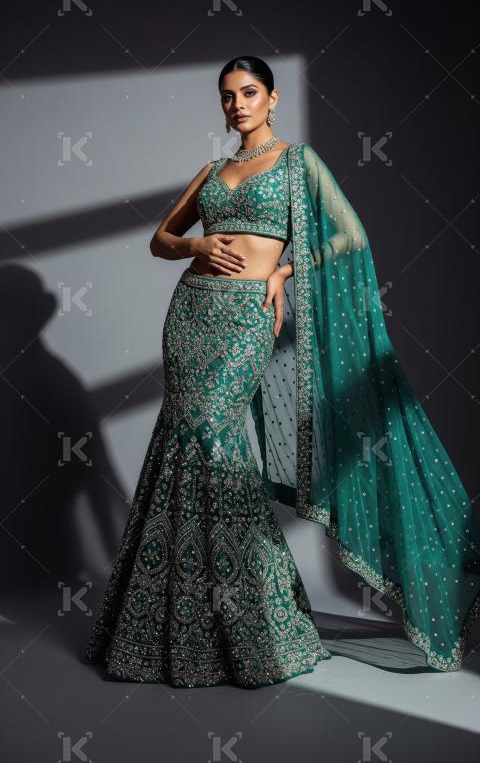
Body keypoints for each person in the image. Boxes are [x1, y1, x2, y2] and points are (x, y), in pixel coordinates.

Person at [84, 55, 480, 686]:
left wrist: (281, 271)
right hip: (190, 313)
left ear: (271, 99)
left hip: (244, 318)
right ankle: (168, 618)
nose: (236, 104)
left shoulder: (299, 164)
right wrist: (196, 245)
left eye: (248, 92)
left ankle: (256, 620)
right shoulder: (213, 172)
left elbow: (348, 236)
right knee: (182, 449)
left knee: (217, 446)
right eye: (226, 96)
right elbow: (161, 239)